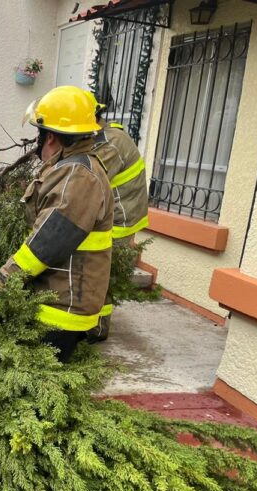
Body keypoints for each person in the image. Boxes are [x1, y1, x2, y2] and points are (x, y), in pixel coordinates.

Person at [0, 86, 114, 362]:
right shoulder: (73, 167)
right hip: (60, 296)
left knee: (33, 392)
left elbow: (47, 243)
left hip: (61, 305)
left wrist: (5, 280)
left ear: (50, 137)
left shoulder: (78, 176)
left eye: (39, 135)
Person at [85, 91, 150, 342]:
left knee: (102, 273)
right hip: (115, 213)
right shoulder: (100, 138)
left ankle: (98, 328)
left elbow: (89, 180)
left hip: (121, 219)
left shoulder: (111, 143)